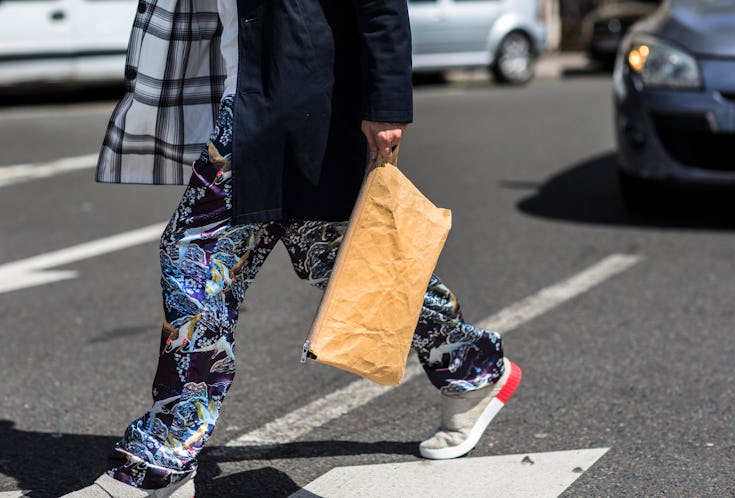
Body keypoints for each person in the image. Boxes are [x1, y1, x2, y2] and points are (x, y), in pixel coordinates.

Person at [65, 0, 521, 496]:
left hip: (301, 101)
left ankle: (163, 460)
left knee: (193, 259)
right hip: (248, 100)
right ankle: (471, 365)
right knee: (336, 263)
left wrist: (387, 101)